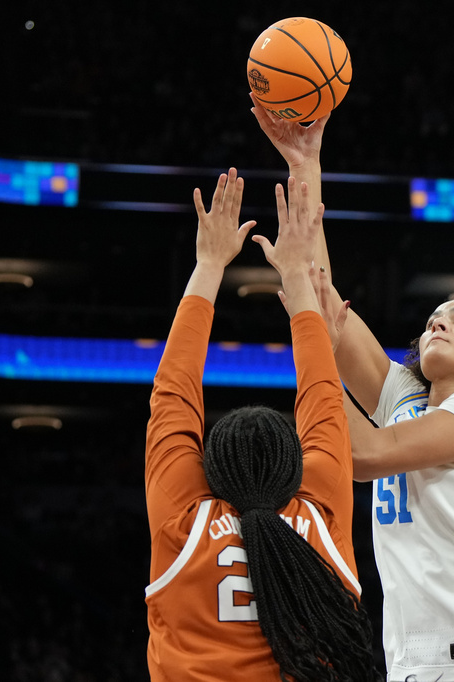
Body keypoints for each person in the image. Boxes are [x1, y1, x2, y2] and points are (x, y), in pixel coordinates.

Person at [252, 100, 454, 681]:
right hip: (416, 666)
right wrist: (304, 160)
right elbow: (321, 290)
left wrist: (307, 339)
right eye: (434, 318)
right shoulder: (405, 399)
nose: (439, 322)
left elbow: (364, 456)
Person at [143, 167, 379, 681]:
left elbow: (173, 394)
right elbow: (322, 401)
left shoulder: (184, 522)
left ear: (207, 468)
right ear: (296, 466)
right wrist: (296, 280)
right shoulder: (317, 517)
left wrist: (208, 266)